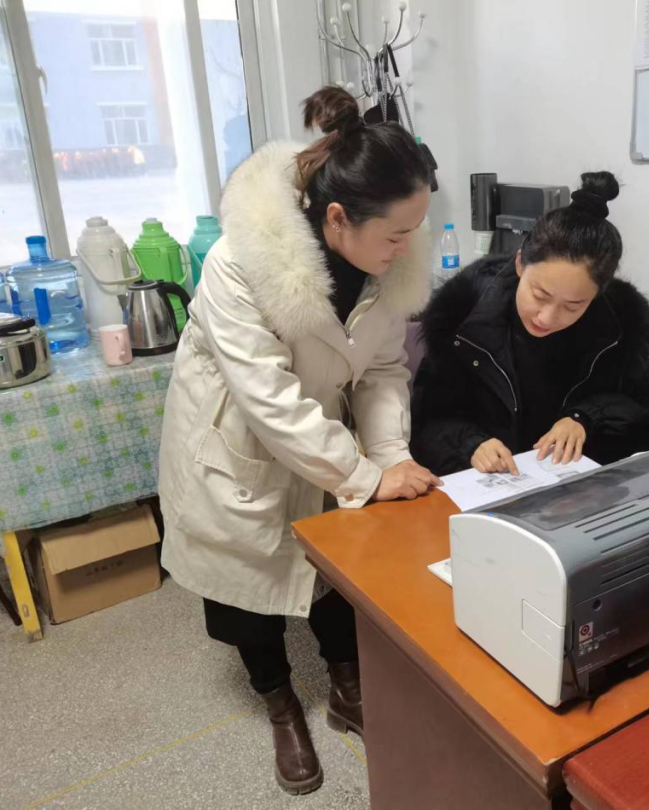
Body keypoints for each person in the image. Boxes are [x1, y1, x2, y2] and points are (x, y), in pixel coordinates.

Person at [157, 86, 441, 795]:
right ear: (338, 218)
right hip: (236, 437)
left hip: (321, 435)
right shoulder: (237, 263)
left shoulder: (388, 266)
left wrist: (390, 458)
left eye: (415, 230)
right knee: (244, 580)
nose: (408, 248)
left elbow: (382, 368)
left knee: (337, 569)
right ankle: (280, 703)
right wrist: (365, 476)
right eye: (396, 234)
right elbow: (268, 401)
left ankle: (347, 685)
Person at [411, 171, 649, 476]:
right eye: (539, 295)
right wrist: (471, 444)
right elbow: (429, 423)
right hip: (492, 488)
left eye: (573, 306)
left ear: (598, 294)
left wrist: (585, 418)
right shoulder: (463, 321)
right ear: (520, 263)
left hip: (574, 489)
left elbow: (643, 409)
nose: (547, 317)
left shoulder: (617, 329)